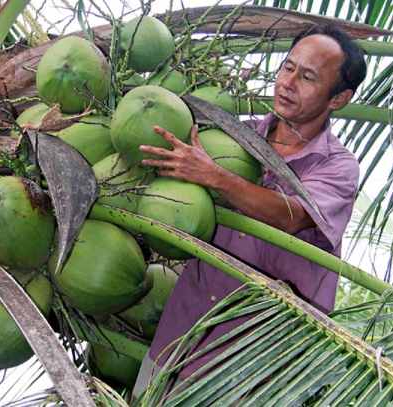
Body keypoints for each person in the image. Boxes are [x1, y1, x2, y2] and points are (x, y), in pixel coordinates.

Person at [131, 25, 367, 402]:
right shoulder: (231, 137)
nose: (288, 83)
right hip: (177, 342)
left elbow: (289, 216)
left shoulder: (337, 168)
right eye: (288, 68)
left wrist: (214, 175)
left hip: (249, 372)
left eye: (307, 77)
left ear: (339, 98)